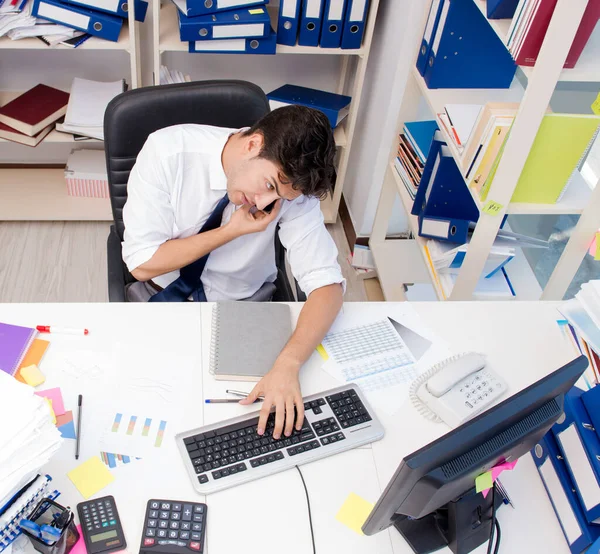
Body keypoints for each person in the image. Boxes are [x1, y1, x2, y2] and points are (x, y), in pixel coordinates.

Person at [122, 105, 345, 440]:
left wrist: (288, 364)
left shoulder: (291, 187)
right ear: (253, 144)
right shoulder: (168, 152)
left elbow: (327, 284)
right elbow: (141, 264)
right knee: (151, 414)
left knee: (250, 425)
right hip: (162, 297)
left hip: (244, 309)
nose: (263, 201)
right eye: (268, 184)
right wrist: (231, 231)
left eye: (279, 197)